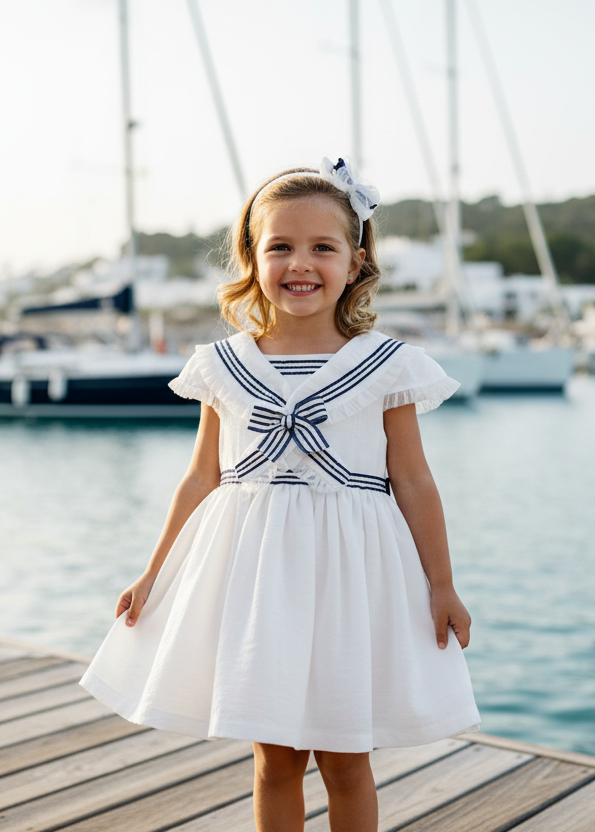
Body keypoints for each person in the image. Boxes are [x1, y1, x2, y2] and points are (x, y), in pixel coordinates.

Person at [80, 157, 480, 832]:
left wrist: (441, 585)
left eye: (322, 247)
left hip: (351, 580)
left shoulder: (386, 366)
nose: (301, 263)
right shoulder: (222, 365)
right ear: (252, 257)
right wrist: (153, 573)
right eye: (281, 247)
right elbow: (202, 477)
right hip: (258, 580)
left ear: (354, 263)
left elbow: (411, 480)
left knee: (346, 757)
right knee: (275, 757)